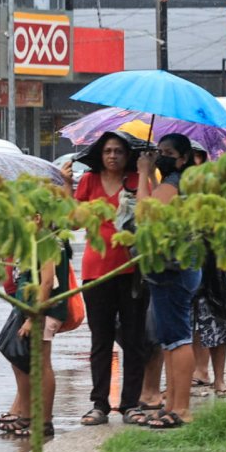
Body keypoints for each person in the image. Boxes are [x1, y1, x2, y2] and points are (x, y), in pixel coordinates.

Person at [65, 132, 150, 427]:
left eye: (118, 151)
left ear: (128, 156)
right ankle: (99, 404)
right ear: (100, 155)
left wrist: (145, 173)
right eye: (107, 151)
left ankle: (130, 404)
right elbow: (74, 221)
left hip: (131, 270)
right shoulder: (88, 181)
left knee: (134, 339)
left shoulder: (136, 181)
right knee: (100, 340)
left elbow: (146, 214)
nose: (112, 156)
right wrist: (66, 186)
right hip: (96, 271)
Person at [136, 133, 202, 429]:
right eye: (158, 151)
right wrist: (151, 174)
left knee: (178, 338)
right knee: (170, 339)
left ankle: (182, 408)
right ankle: (173, 403)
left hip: (172, 267)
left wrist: (141, 175)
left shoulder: (175, 182)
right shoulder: (178, 183)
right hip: (178, 265)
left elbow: (145, 214)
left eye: (167, 152)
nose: (160, 155)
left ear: (184, 157)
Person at [1, 230, 71, 437]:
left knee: (41, 363)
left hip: (43, 311)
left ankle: (44, 422)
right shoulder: (33, 239)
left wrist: (33, 317)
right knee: (21, 360)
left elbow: (47, 281)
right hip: (29, 309)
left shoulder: (45, 241)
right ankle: (28, 415)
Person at [189, 144, 226, 396]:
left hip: (211, 271)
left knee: (214, 324)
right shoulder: (175, 189)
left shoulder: (216, 193)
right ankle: (197, 371)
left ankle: (219, 379)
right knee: (188, 326)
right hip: (183, 269)